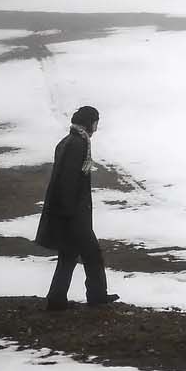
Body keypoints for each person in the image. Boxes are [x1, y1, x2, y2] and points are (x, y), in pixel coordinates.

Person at [34, 105, 120, 310]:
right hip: (73, 214)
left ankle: (56, 299)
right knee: (92, 255)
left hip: (68, 212)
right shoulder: (78, 144)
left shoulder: (69, 141)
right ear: (89, 123)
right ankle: (96, 296)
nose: (97, 128)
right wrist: (71, 212)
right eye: (96, 122)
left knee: (69, 255)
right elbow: (69, 180)